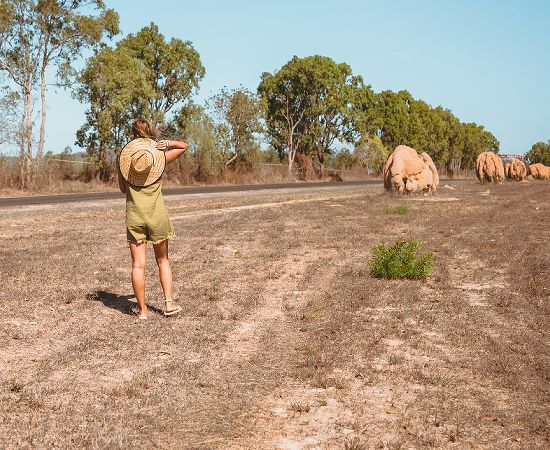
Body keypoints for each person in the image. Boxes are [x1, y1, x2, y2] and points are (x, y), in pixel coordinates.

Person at [118, 119, 188, 320]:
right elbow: (184, 146)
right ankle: (168, 304)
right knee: (163, 260)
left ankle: (142, 312)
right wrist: (166, 143)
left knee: (137, 265)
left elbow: (123, 190)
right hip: (157, 215)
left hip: (134, 216)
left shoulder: (125, 162)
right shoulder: (159, 158)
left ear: (133, 135)